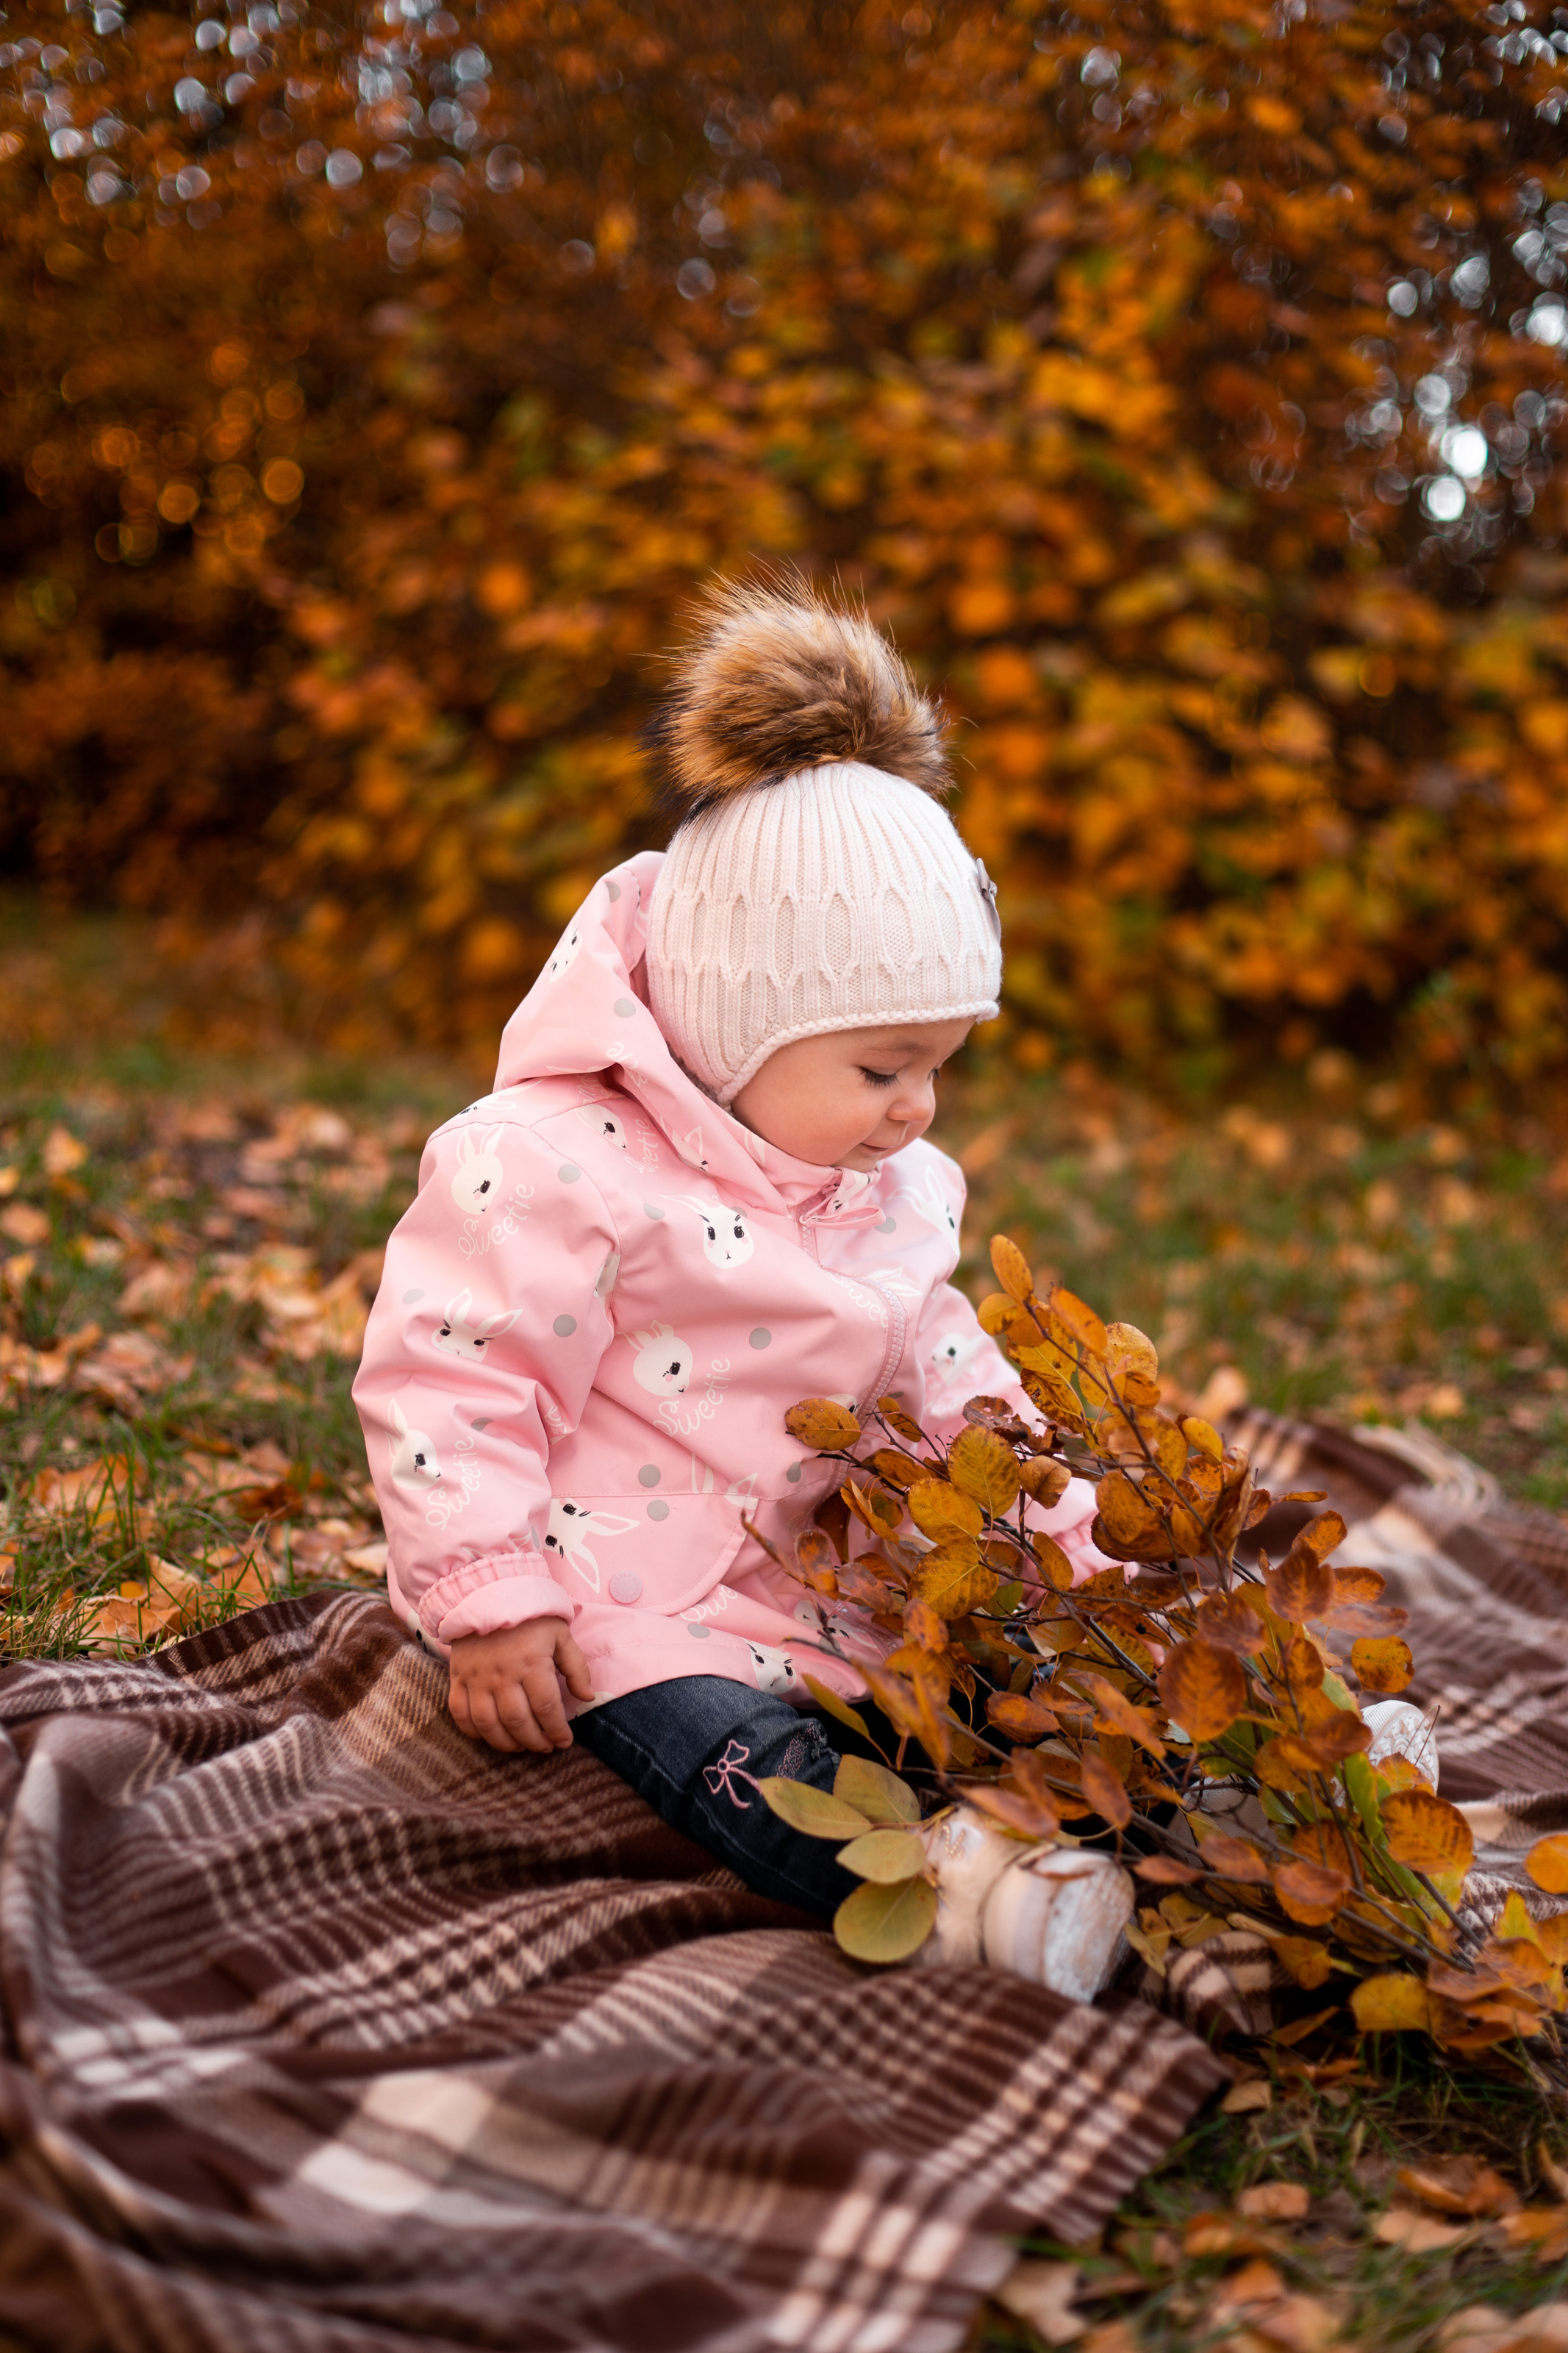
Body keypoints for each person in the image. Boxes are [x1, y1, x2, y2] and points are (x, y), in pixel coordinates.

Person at [354, 576, 1136, 2000]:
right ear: (731, 1029)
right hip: (617, 1603)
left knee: (997, 1683)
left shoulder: (889, 1192)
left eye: (938, 1063)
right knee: (745, 1763)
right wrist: (489, 1590)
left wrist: (1071, 1543)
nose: (918, 1109)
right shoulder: (549, 1164)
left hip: (822, 1587)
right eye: (881, 1067)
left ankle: (1222, 1793)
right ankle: (965, 1897)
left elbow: (949, 1388)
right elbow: (452, 1372)